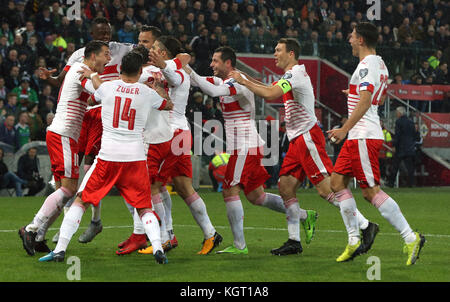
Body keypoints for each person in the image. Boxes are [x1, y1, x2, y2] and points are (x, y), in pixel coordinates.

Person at [230, 39, 376, 256]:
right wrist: (243, 78)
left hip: (308, 137)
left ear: (291, 54)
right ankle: (294, 240)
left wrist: (242, 80)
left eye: (278, 50)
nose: (274, 54)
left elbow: (270, 95)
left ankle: (365, 225)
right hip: (297, 140)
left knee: (326, 189)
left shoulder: (295, 74)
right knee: (286, 186)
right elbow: (269, 88)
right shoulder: (291, 75)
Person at [38, 51, 173, 264]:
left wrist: (92, 75)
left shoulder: (107, 87)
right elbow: (168, 105)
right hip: (135, 159)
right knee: (144, 206)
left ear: (119, 70)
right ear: (140, 71)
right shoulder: (147, 93)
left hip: (108, 156)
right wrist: (157, 89)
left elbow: (93, 96)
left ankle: (60, 249)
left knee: (81, 200)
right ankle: (158, 248)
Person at [185, 46, 302, 255]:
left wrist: (186, 68)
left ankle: (239, 245)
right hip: (248, 147)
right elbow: (199, 82)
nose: (211, 64)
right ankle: (301, 215)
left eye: (216, 61)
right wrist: (177, 68)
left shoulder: (237, 83)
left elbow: (211, 91)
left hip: (245, 147)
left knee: (229, 190)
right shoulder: (224, 81)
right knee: (257, 197)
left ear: (228, 63)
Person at [327, 22, 425, 265]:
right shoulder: (379, 63)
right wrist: (350, 95)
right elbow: (369, 98)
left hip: (362, 136)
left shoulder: (366, 64)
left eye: (351, 36)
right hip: (359, 136)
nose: (348, 40)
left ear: (360, 39)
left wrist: (343, 129)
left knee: (371, 192)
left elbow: (366, 101)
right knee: (336, 183)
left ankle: (410, 236)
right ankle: (353, 240)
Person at [42, 18, 136, 245]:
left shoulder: (123, 49)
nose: (105, 35)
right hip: (84, 114)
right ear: (91, 33)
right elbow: (61, 81)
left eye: (108, 31)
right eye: (100, 32)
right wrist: (49, 78)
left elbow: (146, 51)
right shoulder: (80, 55)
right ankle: (71, 223)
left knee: (95, 165)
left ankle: (94, 221)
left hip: (106, 115)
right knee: (73, 171)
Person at [18, 40, 111, 256]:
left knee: (63, 191)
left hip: (61, 134)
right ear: (92, 55)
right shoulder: (81, 70)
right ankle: (31, 229)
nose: (108, 59)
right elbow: (102, 93)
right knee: (69, 190)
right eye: (105, 54)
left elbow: (92, 97)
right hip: (64, 135)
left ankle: (39, 237)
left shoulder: (80, 71)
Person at [133, 36, 222, 256]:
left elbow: (174, 77)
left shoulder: (176, 71)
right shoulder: (169, 68)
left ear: (163, 54)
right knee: (183, 188)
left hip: (170, 135)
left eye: (154, 48)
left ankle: (164, 238)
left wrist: (165, 65)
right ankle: (210, 234)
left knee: (153, 185)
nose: (151, 51)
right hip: (179, 134)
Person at [388, 106, 416, 187]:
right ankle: (411, 184)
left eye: (397, 112)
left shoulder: (399, 122)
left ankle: (391, 183)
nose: (396, 114)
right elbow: (414, 134)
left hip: (401, 148)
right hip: (410, 148)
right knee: (410, 168)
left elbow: (398, 135)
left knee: (395, 166)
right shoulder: (411, 122)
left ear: (400, 113)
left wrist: (394, 146)